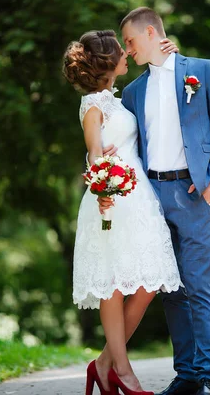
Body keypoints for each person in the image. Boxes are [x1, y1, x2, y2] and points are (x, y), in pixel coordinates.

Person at [99, 7, 210, 395]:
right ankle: (188, 375)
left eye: (129, 41)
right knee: (170, 289)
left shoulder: (202, 71)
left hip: (192, 194)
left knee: (198, 285)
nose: (127, 50)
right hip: (150, 196)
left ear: (149, 33)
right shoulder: (132, 91)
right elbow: (121, 141)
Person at [63, 31, 183, 394]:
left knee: (148, 282)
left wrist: (169, 55)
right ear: (107, 62)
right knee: (113, 286)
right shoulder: (92, 105)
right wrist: (102, 187)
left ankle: (102, 364)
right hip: (112, 201)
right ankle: (123, 371)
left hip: (139, 200)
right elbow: (95, 153)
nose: (126, 54)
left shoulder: (116, 99)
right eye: (121, 51)